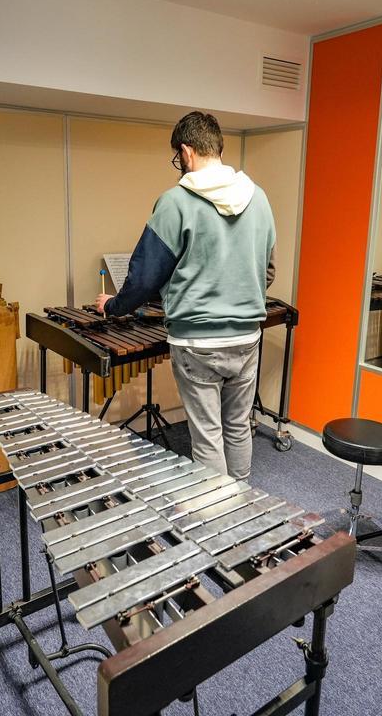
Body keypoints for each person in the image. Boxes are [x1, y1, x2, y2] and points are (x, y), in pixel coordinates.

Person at [95, 111, 276, 481]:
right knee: (239, 426)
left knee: (208, 437)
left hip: (197, 342)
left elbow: (144, 278)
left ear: (187, 152)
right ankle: (242, 510)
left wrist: (113, 306)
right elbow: (267, 272)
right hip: (247, 337)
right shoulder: (259, 199)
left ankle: (216, 522)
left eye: (178, 159)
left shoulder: (175, 201)